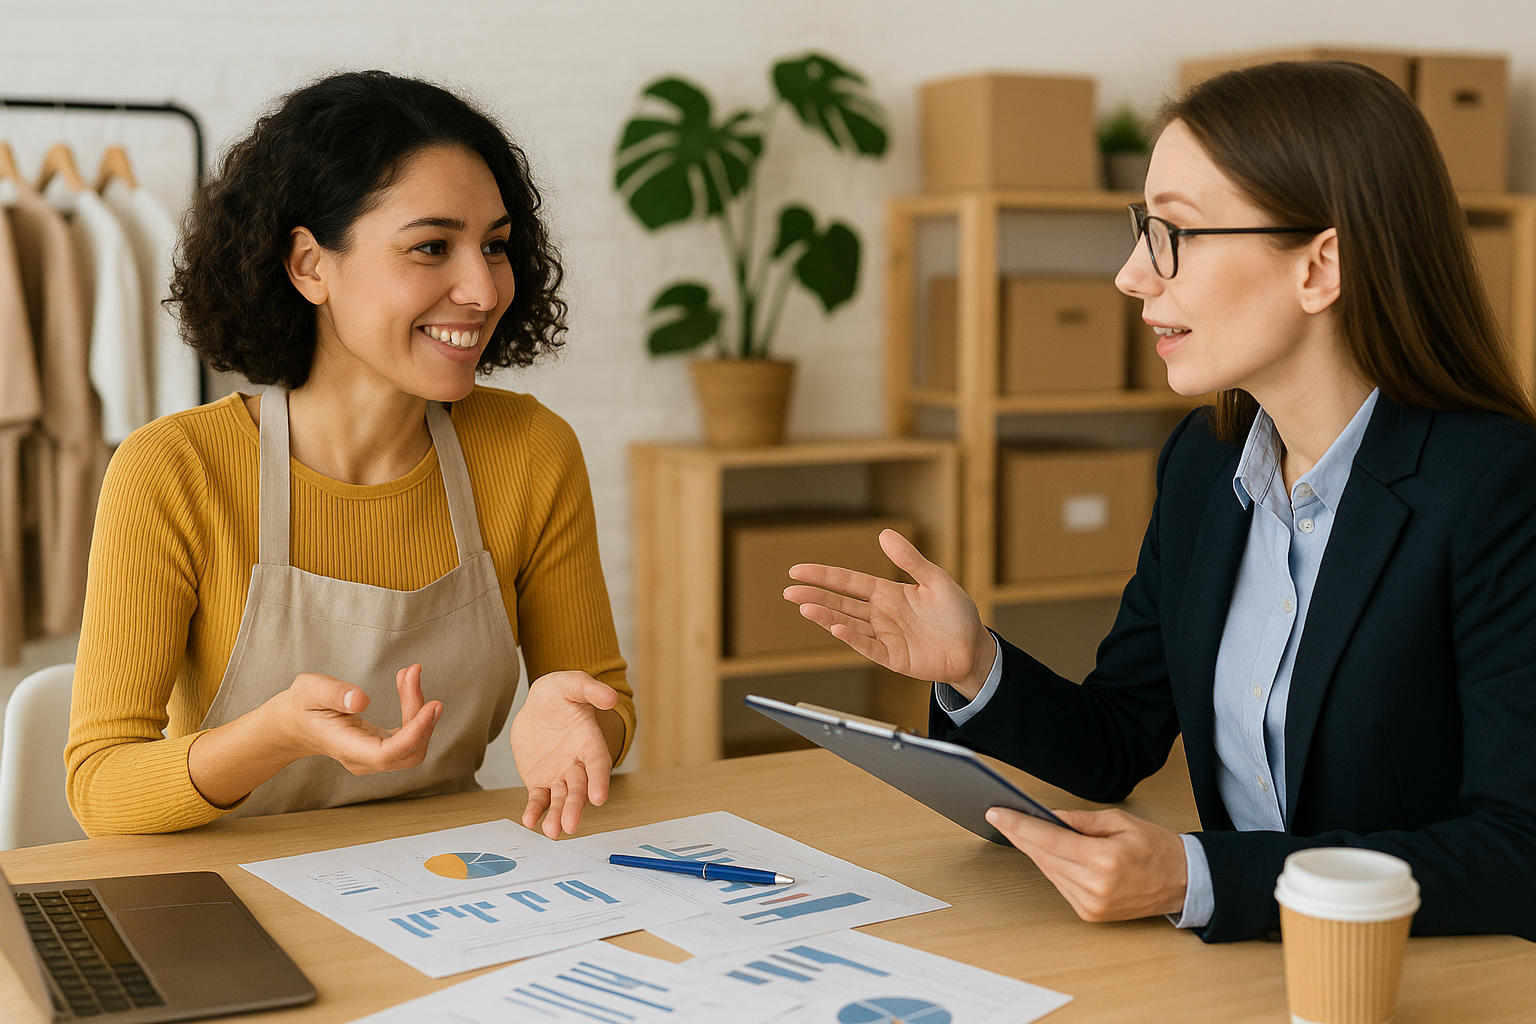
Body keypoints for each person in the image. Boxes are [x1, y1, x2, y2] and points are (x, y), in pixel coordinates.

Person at [786, 61, 1536, 943]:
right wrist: (974, 665)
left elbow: (1518, 853)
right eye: (1144, 229)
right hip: (1249, 976)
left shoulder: (1498, 491)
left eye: (1173, 232)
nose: (1132, 276)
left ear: (1319, 266)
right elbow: (1119, 739)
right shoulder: (1203, 467)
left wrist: (1198, 875)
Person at [66, 71, 633, 840]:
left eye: (495, 246)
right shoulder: (174, 471)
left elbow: (599, 697)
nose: (481, 288)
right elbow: (100, 786)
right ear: (309, 266)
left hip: (450, 879)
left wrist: (585, 729)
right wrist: (274, 734)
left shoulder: (532, 451)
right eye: (432, 246)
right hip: (232, 892)